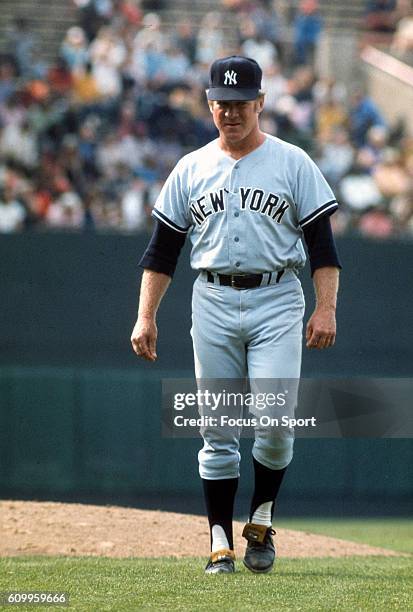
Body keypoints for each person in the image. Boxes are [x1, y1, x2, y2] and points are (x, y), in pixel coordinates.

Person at [131, 56, 341, 574]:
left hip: (276, 299)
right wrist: (146, 316)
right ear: (209, 103)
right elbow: (162, 251)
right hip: (214, 299)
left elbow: (322, 247)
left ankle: (262, 520)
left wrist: (326, 307)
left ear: (261, 103)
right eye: (221, 102)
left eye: (241, 102)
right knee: (218, 427)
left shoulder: (293, 163)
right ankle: (218, 541)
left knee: (273, 423)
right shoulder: (191, 167)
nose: (230, 112)